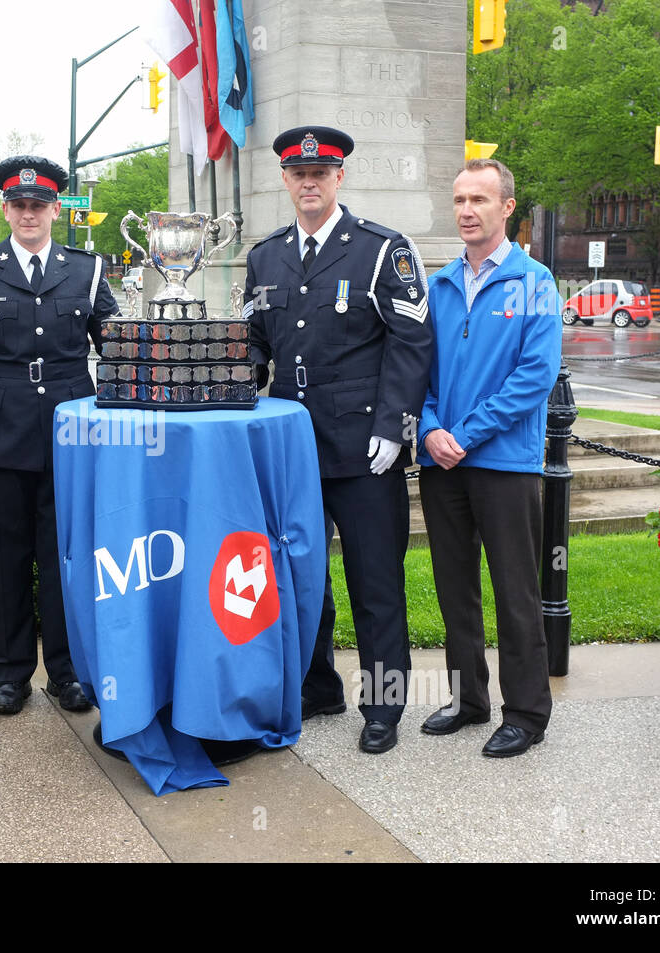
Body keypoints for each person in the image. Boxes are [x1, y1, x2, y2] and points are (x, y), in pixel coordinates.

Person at [244, 126, 433, 755]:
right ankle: (316, 684)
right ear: (285, 180)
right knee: (302, 579)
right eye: (299, 175)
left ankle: (383, 705)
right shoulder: (265, 256)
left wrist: (393, 426)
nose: (309, 184)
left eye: (320, 174)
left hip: (362, 452)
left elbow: (411, 343)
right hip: (292, 450)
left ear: (339, 178)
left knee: (374, 582)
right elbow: (255, 348)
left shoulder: (381, 250)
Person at [0, 155, 118, 716]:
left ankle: (66, 672)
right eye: (18, 204)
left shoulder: (85, 270)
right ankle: (11, 674)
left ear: (55, 208)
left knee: (65, 557)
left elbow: (115, 347)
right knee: (7, 558)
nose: (29, 213)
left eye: (39, 204)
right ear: (5, 207)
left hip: (71, 431)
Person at [416, 158, 562, 758]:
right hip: (441, 463)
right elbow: (415, 370)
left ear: (507, 208)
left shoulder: (536, 283)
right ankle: (469, 699)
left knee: (515, 592)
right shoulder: (440, 283)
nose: (466, 211)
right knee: (454, 590)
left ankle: (526, 712)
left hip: (503, 463)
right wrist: (428, 430)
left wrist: (465, 433)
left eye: (479, 199)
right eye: (458, 200)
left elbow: (535, 377)